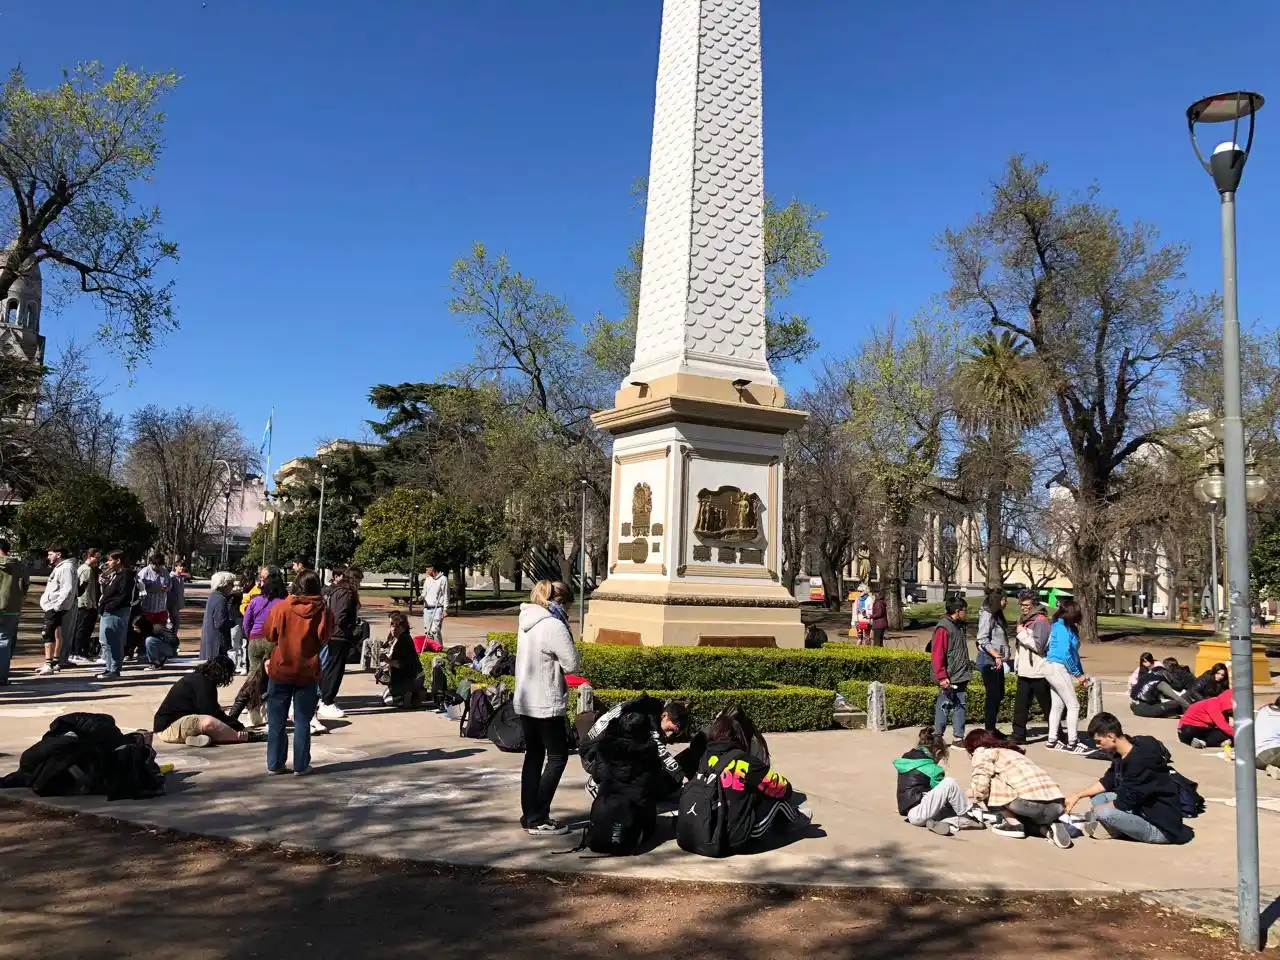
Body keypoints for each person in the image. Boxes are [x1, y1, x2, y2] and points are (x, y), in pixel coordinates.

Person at [688, 708, 808, 850]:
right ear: (739, 735)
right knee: (776, 798)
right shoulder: (745, 761)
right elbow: (783, 788)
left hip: (700, 831)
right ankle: (798, 819)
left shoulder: (706, 757)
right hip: (733, 837)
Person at [513, 579, 579, 836]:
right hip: (546, 702)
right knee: (557, 757)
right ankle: (539, 816)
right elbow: (572, 664)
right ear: (560, 603)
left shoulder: (527, 621)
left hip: (526, 699)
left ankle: (529, 813)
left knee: (533, 756)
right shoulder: (553, 625)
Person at [1065, 713, 1192, 844]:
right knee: (1098, 797)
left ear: (1111, 736)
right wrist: (1077, 795)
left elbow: (1125, 802)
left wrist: (1098, 811)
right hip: (1140, 808)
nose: (1097, 746)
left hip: (1160, 828)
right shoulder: (1123, 751)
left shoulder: (1139, 761)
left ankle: (1117, 828)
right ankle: (1119, 826)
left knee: (1103, 812)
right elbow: (1107, 781)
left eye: (1099, 741)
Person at [263, 570, 334, 776]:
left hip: (281, 668)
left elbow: (269, 634)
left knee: (277, 720)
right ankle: (301, 765)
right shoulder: (323, 610)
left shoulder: (282, 606)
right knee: (303, 720)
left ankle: (275, 762)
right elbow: (324, 638)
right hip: (307, 670)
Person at [963, 729, 1072, 847]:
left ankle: (1013, 824)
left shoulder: (982, 752)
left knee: (991, 781)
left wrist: (975, 793)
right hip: (1057, 804)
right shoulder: (1013, 752)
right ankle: (1048, 829)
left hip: (1027, 803)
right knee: (1024, 814)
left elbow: (981, 781)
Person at [580, 695, 691, 799]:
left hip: (593, 750)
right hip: (592, 757)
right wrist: (681, 776)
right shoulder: (646, 717)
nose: (670, 735)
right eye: (671, 729)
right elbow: (660, 751)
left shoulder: (643, 707)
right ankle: (596, 783)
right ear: (665, 715)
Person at [152, 656, 265, 747]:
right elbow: (213, 713)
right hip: (170, 728)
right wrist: (237, 726)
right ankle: (242, 737)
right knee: (209, 722)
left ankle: (193, 739)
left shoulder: (199, 679)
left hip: (171, 728)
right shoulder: (204, 684)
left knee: (215, 726)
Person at [892, 727, 985, 837]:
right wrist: (962, 802)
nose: (939, 761)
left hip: (909, 812)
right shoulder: (933, 770)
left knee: (944, 808)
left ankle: (946, 823)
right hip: (922, 812)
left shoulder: (906, 759)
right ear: (938, 752)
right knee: (950, 783)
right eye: (940, 758)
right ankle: (965, 819)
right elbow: (945, 798)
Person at [1044, 599, 1089, 753]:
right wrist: (1078, 674)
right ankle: (1073, 742)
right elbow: (1064, 654)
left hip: (1054, 668)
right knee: (1073, 705)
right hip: (1057, 667)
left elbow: (1074, 654)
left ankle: (1052, 739)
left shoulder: (1066, 627)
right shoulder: (1061, 627)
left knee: (1057, 705)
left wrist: (1080, 674)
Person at [318, 565, 361, 720]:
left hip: (334, 634)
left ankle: (325, 698)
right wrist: (350, 628)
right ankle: (327, 700)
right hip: (339, 635)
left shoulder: (337, 590)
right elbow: (339, 614)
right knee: (335, 669)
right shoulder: (346, 593)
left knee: (331, 667)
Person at [1011, 589, 1053, 745]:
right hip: (1025, 671)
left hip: (1038, 671)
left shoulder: (1041, 621)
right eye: (1021, 604)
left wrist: (1022, 634)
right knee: (1020, 705)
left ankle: (1057, 733)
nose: (1023, 608)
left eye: (1026, 605)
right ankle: (1018, 735)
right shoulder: (1024, 619)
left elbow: (1039, 646)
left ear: (1034, 605)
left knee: (1047, 705)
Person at [929, 596, 971, 745]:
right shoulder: (943, 628)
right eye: (965, 610)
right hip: (949, 675)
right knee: (944, 705)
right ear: (957, 611)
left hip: (961, 674)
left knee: (960, 705)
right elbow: (938, 653)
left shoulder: (960, 625)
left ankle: (958, 737)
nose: (966, 613)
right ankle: (937, 736)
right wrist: (941, 676)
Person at [37, 545, 77, 675]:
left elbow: (68, 588)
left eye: (50, 554)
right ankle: (54, 662)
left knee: (47, 633)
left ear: (58, 554)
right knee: (56, 632)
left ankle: (49, 664)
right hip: (54, 606)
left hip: (55, 606)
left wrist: (57, 606)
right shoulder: (62, 567)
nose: (48, 557)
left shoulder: (66, 568)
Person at [96, 550, 134, 680]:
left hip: (116, 612)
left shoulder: (126, 575)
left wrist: (110, 606)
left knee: (114, 641)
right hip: (107, 612)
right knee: (105, 641)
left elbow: (123, 595)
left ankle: (115, 668)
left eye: (110, 560)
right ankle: (108, 667)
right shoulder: (115, 574)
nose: (108, 563)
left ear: (118, 560)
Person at [243, 567, 287, 679]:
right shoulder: (283, 603)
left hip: (254, 638)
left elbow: (246, 622)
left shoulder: (255, 601)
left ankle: (251, 693)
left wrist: (250, 636)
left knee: (254, 672)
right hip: (273, 640)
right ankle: (268, 694)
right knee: (272, 672)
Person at [976, 589, 1009, 733]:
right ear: (997, 600)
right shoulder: (987, 615)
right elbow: (982, 639)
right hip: (989, 660)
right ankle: (989, 730)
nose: (1006, 602)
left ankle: (992, 728)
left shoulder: (997, 615)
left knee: (999, 695)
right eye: (1004, 599)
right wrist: (996, 654)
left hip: (998, 661)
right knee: (993, 696)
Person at [377, 610, 426, 708]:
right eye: (392, 625)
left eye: (397, 626)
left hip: (412, 677)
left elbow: (402, 664)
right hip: (404, 677)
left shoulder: (404, 640)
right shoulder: (395, 639)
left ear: (403, 627)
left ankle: (409, 694)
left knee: (388, 701)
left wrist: (387, 660)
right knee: (385, 697)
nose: (393, 628)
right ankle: (410, 693)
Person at [0, 538, 27, 686]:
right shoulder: (19, 566)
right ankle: (2, 677)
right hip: (11, 608)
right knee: (5, 642)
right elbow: (25, 586)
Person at [67, 548, 101, 665]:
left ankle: (79, 651)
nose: (98, 560)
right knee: (82, 629)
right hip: (85, 604)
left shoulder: (87, 569)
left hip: (86, 603)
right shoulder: (86, 570)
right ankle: (77, 652)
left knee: (84, 629)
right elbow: (84, 589)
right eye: (96, 557)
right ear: (89, 556)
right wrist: (89, 603)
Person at [199, 572, 237, 661]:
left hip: (210, 640)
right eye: (231, 584)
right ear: (223, 585)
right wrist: (233, 622)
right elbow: (220, 623)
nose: (232, 587)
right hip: (217, 642)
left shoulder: (213, 596)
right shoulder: (221, 599)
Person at [137, 553, 172, 628]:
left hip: (161, 609)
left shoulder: (165, 572)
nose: (159, 567)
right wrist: (155, 589)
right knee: (147, 632)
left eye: (161, 565)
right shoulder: (144, 572)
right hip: (147, 609)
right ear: (151, 563)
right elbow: (140, 590)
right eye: (157, 565)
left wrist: (167, 589)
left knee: (161, 632)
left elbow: (170, 585)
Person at [421, 562, 449, 645]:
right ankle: (431, 648)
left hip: (438, 608)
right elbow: (424, 592)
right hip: (427, 608)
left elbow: (445, 594)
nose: (426, 571)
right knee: (427, 631)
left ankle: (438, 648)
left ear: (432, 569)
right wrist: (421, 597)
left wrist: (445, 609)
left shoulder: (443, 579)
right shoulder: (427, 579)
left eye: (427, 569)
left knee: (435, 630)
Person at [1255, 695, 1280, 778]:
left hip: (1257, 758)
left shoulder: (1264, 709)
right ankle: (1273, 766)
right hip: (1272, 753)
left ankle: (1273, 767)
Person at [166, 564, 186, 640]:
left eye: (183, 566)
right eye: (180, 566)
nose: (182, 568)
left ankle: (172, 639)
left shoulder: (180, 578)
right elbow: (169, 592)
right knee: (173, 622)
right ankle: (171, 639)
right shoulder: (172, 577)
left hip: (177, 605)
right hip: (172, 604)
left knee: (175, 622)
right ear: (175, 567)